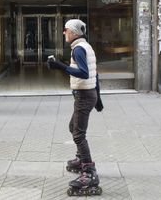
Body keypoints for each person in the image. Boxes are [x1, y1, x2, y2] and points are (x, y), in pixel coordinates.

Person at [47, 19, 102, 196]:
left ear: (74, 32)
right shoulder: (86, 46)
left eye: (66, 30)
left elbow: (85, 73)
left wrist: (59, 66)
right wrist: (98, 98)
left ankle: (89, 171)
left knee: (78, 133)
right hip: (89, 94)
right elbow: (95, 73)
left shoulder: (78, 49)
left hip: (84, 96)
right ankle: (80, 160)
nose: (64, 33)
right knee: (73, 127)